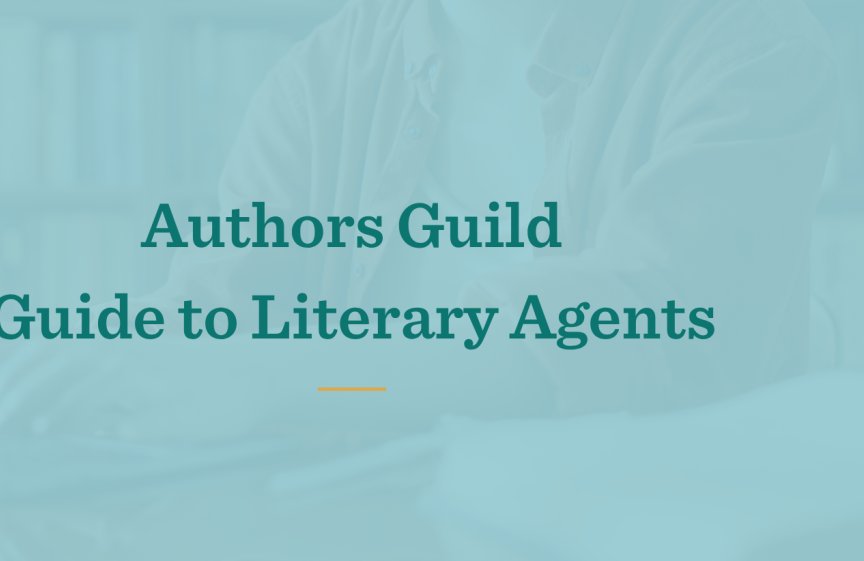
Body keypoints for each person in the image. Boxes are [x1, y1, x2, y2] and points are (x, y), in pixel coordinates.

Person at [147, 0, 839, 417]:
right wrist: (107, 374)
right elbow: (209, 317)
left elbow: (648, 326)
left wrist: (283, 380)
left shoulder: (749, 44)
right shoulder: (317, 76)